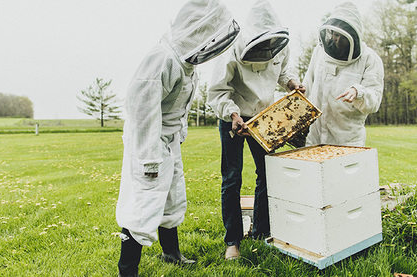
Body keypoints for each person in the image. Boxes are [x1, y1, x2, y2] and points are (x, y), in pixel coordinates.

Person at [115, 0, 239, 276]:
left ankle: (171, 253)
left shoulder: (185, 62)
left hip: (167, 139)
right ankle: (127, 270)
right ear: (196, 29)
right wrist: (148, 159)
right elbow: (142, 110)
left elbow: (176, 106)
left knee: (172, 195)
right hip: (148, 140)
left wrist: (178, 133)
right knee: (145, 201)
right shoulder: (162, 59)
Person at [207, 0, 304, 261]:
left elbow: (283, 70)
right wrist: (233, 114)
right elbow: (217, 92)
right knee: (232, 177)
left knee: (267, 174)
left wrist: (292, 82)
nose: (266, 50)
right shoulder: (231, 49)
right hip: (234, 118)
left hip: (264, 118)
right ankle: (232, 241)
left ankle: (262, 231)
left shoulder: (279, 46)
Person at [301, 2, 384, 147]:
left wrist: (358, 92)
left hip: (348, 140)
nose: (336, 40)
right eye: (334, 34)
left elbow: (374, 100)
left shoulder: (369, 58)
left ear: (353, 35)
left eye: (342, 36)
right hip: (315, 137)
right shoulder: (319, 52)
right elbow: (307, 86)